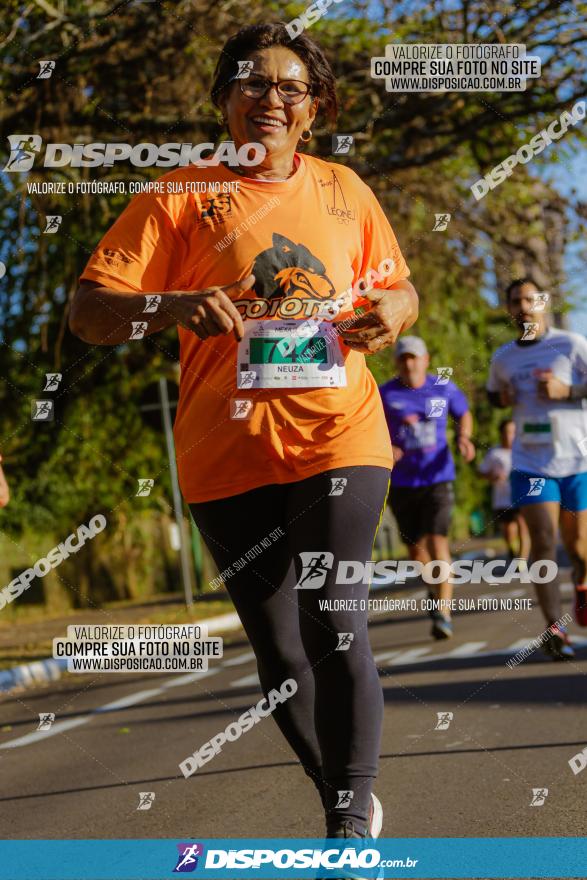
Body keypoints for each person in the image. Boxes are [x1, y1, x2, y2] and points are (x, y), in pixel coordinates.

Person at [69, 23, 419, 851]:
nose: (270, 98)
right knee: (281, 655)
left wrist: (393, 311)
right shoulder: (174, 196)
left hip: (340, 432)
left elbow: (397, 285)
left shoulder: (344, 188)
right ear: (225, 101)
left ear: (313, 109)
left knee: (334, 615)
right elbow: (87, 315)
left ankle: (345, 823)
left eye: (289, 87)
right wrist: (169, 306)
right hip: (224, 450)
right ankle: (341, 790)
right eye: (251, 84)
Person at [487, 277, 587, 660]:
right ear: (510, 309)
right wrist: (503, 398)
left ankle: (582, 583)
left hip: (577, 460)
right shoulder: (503, 357)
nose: (524, 306)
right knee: (543, 543)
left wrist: (568, 391)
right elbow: (495, 394)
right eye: (516, 301)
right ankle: (554, 630)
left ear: (543, 303)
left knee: (579, 547)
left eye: (530, 299)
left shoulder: (571, 344)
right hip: (531, 464)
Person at [379, 337, 475, 640]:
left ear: (425, 359)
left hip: (438, 476)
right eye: (403, 358)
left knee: (437, 541)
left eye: (414, 358)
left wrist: (464, 437)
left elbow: (464, 413)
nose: (409, 364)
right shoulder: (385, 393)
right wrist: (386, 446)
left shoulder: (442, 387)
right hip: (404, 482)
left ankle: (443, 613)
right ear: (397, 362)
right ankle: (436, 591)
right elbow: (371, 427)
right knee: (416, 553)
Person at [478, 419, 530, 560]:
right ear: (501, 434)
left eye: (512, 432)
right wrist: (492, 476)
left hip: (522, 495)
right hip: (502, 499)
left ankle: (522, 560)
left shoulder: (523, 451)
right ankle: (512, 551)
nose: (509, 436)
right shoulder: (495, 453)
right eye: (506, 432)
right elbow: (481, 472)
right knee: (508, 531)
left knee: (522, 527)